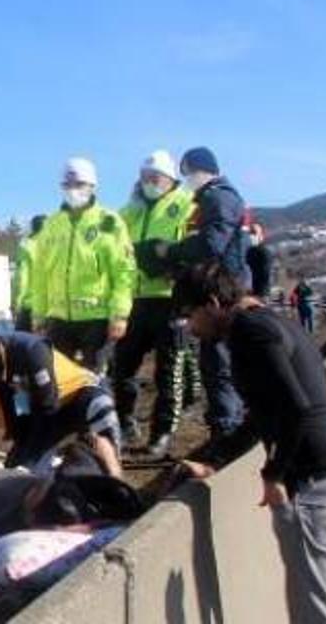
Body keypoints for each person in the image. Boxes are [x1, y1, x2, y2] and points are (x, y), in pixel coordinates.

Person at [174, 263, 326, 624]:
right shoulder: (273, 322)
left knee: (313, 615)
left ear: (213, 303)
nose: (190, 328)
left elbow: (296, 409)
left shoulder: (250, 331)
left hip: (315, 487)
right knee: (312, 606)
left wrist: (273, 473)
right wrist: (216, 459)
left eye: (189, 315)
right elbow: (266, 413)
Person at [0, 318, 123, 478]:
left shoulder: (29, 350)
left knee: (100, 419)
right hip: (37, 416)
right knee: (17, 477)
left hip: (75, 399)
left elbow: (46, 408)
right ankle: (58, 466)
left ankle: (111, 477)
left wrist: (32, 453)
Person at [152, 147, 249, 452]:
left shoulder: (217, 198)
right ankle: (225, 426)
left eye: (188, 173)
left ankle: (226, 432)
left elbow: (210, 244)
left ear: (202, 170)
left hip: (221, 294)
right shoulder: (218, 197)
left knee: (219, 365)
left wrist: (172, 251)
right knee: (217, 364)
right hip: (220, 290)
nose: (186, 181)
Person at [113, 150, 197, 454]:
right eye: (145, 177)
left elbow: (198, 244)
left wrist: (168, 259)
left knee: (168, 371)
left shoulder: (186, 204)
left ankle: (161, 433)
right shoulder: (127, 212)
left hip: (169, 299)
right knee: (122, 369)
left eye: (156, 177)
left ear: (170, 178)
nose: (149, 182)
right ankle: (124, 422)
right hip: (134, 299)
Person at [0, 444, 142, 550]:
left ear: (31, 515)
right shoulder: (73, 492)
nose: (38, 484)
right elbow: (81, 449)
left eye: (38, 491)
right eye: (43, 483)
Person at [30, 158, 136, 373]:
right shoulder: (51, 224)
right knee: (60, 379)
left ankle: (100, 407)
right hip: (58, 318)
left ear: (92, 186)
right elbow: (40, 274)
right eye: (67, 185)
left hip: (96, 319)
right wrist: (38, 315)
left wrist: (120, 314)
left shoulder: (109, 222)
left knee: (94, 379)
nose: (73, 190)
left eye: (79, 184)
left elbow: (124, 271)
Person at [12, 215, 47, 332]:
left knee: (21, 343)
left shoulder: (26, 246)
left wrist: (17, 303)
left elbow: (22, 278)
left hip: (31, 305)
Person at [246, 220, 275, 301]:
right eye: (250, 232)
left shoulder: (264, 252)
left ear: (261, 236)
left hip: (258, 295)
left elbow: (266, 275)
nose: (251, 235)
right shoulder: (246, 251)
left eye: (254, 232)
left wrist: (260, 296)